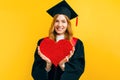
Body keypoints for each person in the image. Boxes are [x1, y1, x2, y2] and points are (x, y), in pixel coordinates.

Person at [31, 0, 85, 80]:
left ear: (68, 24)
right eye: (57, 21)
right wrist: (48, 64)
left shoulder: (77, 44)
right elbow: (36, 70)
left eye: (63, 21)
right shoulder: (43, 43)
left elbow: (78, 69)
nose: (60, 25)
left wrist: (62, 65)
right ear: (53, 23)